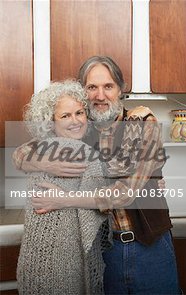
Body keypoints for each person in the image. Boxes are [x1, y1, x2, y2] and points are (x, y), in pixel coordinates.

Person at [13, 56, 180, 294]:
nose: (100, 96)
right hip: (104, 251)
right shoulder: (79, 126)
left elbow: (125, 193)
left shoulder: (141, 122)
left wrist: (64, 200)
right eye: (92, 87)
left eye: (108, 86)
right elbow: (22, 152)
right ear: (83, 91)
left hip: (149, 248)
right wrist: (43, 161)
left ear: (120, 90)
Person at [16, 80, 110, 294]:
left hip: (34, 261)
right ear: (50, 122)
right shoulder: (85, 154)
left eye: (79, 113)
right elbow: (105, 206)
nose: (75, 121)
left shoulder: (37, 149)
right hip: (65, 266)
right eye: (65, 116)